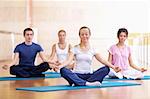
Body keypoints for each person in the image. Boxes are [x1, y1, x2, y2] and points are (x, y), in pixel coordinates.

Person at [55, 26, 121, 86]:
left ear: (89, 35)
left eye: (86, 34)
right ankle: (86, 83)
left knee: (106, 69)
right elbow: (68, 60)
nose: (84, 36)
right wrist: (60, 66)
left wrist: (113, 67)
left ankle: (78, 82)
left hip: (90, 75)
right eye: (82, 34)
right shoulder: (74, 48)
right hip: (77, 75)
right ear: (79, 36)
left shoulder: (93, 49)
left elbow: (102, 60)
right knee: (63, 70)